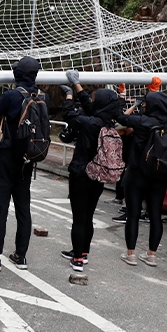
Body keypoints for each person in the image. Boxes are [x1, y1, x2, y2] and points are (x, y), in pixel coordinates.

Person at [0, 57, 41, 271]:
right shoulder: (42, 97)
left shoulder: (12, 96)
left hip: (7, 157)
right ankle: (20, 255)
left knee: (0, 206)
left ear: (17, 74)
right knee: (23, 208)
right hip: (28, 159)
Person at [60, 72, 123, 272]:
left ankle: (77, 259)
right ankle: (83, 252)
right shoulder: (106, 123)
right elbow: (90, 106)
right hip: (98, 176)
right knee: (87, 216)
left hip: (81, 175)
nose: (92, 101)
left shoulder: (87, 123)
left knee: (79, 218)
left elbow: (69, 114)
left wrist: (69, 97)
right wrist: (78, 86)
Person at [115, 91, 167, 266]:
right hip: (160, 175)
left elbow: (119, 117)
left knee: (133, 214)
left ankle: (131, 254)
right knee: (155, 214)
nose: (144, 106)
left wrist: (128, 102)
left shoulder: (143, 121)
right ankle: (151, 255)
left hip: (137, 172)